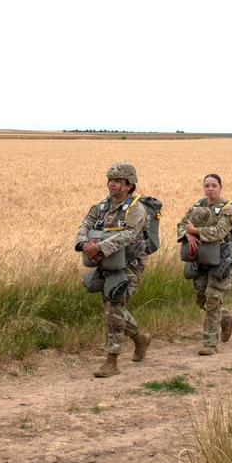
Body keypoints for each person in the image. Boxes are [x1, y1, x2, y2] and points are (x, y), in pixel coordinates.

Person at [75, 162, 152, 378]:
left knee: (114, 308)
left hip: (129, 266)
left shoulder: (136, 209)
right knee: (113, 310)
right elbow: (84, 226)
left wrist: (100, 247)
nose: (112, 184)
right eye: (110, 180)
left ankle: (112, 361)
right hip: (105, 264)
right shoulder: (101, 207)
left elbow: (129, 235)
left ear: (129, 184)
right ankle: (140, 339)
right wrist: (83, 245)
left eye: (118, 181)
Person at [177, 174, 232, 356]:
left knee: (212, 299)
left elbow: (218, 232)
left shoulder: (229, 210)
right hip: (201, 259)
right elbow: (181, 224)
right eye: (207, 185)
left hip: (221, 259)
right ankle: (226, 318)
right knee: (201, 298)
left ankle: (210, 343)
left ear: (220, 187)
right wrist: (186, 234)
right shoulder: (198, 206)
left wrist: (194, 230)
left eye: (214, 185)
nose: (210, 189)